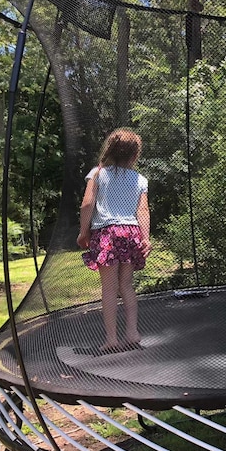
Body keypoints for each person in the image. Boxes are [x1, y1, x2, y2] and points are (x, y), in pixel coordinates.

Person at [77, 128, 151, 352]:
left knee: (109, 288)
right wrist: (145, 238)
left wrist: (83, 232)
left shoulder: (98, 174)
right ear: (134, 155)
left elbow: (87, 204)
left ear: (109, 149)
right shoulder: (139, 179)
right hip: (130, 232)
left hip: (107, 233)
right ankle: (132, 332)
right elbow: (143, 210)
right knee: (126, 285)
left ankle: (111, 339)